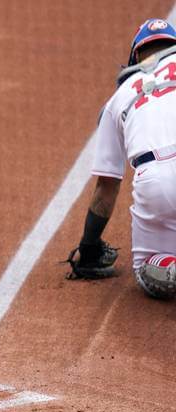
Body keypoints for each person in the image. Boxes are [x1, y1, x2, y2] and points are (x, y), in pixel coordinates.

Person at [67, 18, 176, 299]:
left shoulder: (118, 98)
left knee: (145, 270)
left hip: (155, 181)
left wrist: (89, 248)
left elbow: (107, 185)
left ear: (136, 55)